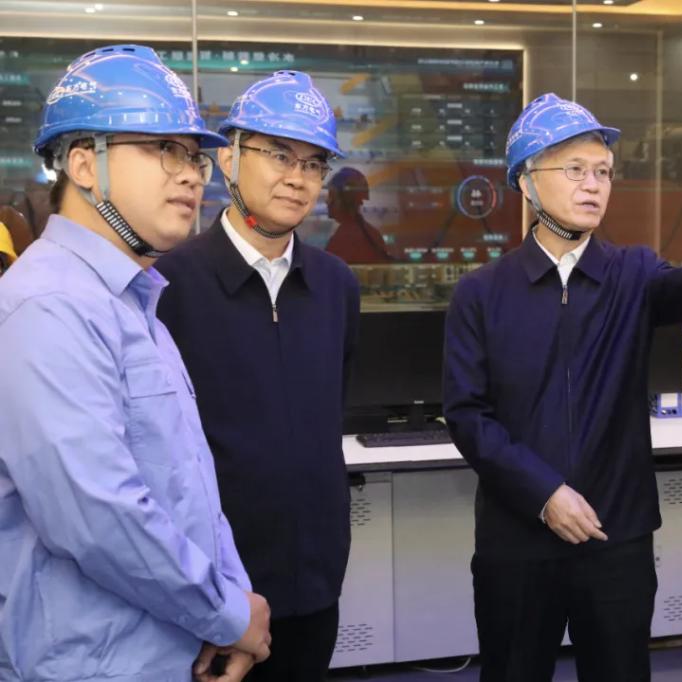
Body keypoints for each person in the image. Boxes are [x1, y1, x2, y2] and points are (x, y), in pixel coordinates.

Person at [443, 92, 682, 682]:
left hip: (617, 538)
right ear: (527, 182)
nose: (593, 185)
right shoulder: (481, 293)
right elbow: (468, 416)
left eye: (604, 172)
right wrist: (545, 493)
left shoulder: (632, 274)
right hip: (518, 539)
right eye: (575, 170)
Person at [0, 44, 271, 682]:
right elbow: (97, 515)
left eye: (194, 156)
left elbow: (191, 488)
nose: (191, 175)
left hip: (173, 649)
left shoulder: (134, 304)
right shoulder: (47, 308)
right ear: (83, 164)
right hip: (90, 664)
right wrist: (228, 613)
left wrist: (232, 604)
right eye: (163, 149)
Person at [156, 70, 360, 682]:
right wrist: (207, 593)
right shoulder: (169, 284)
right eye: (279, 155)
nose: (298, 177)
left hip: (316, 580)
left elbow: (327, 417)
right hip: (214, 589)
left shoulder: (335, 285)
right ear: (227, 160)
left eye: (314, 163)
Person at [324, 166, 393, 263]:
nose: (327, 202)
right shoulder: (371, 233)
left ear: (345, 201)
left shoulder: (346, 238)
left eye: (331, 196)